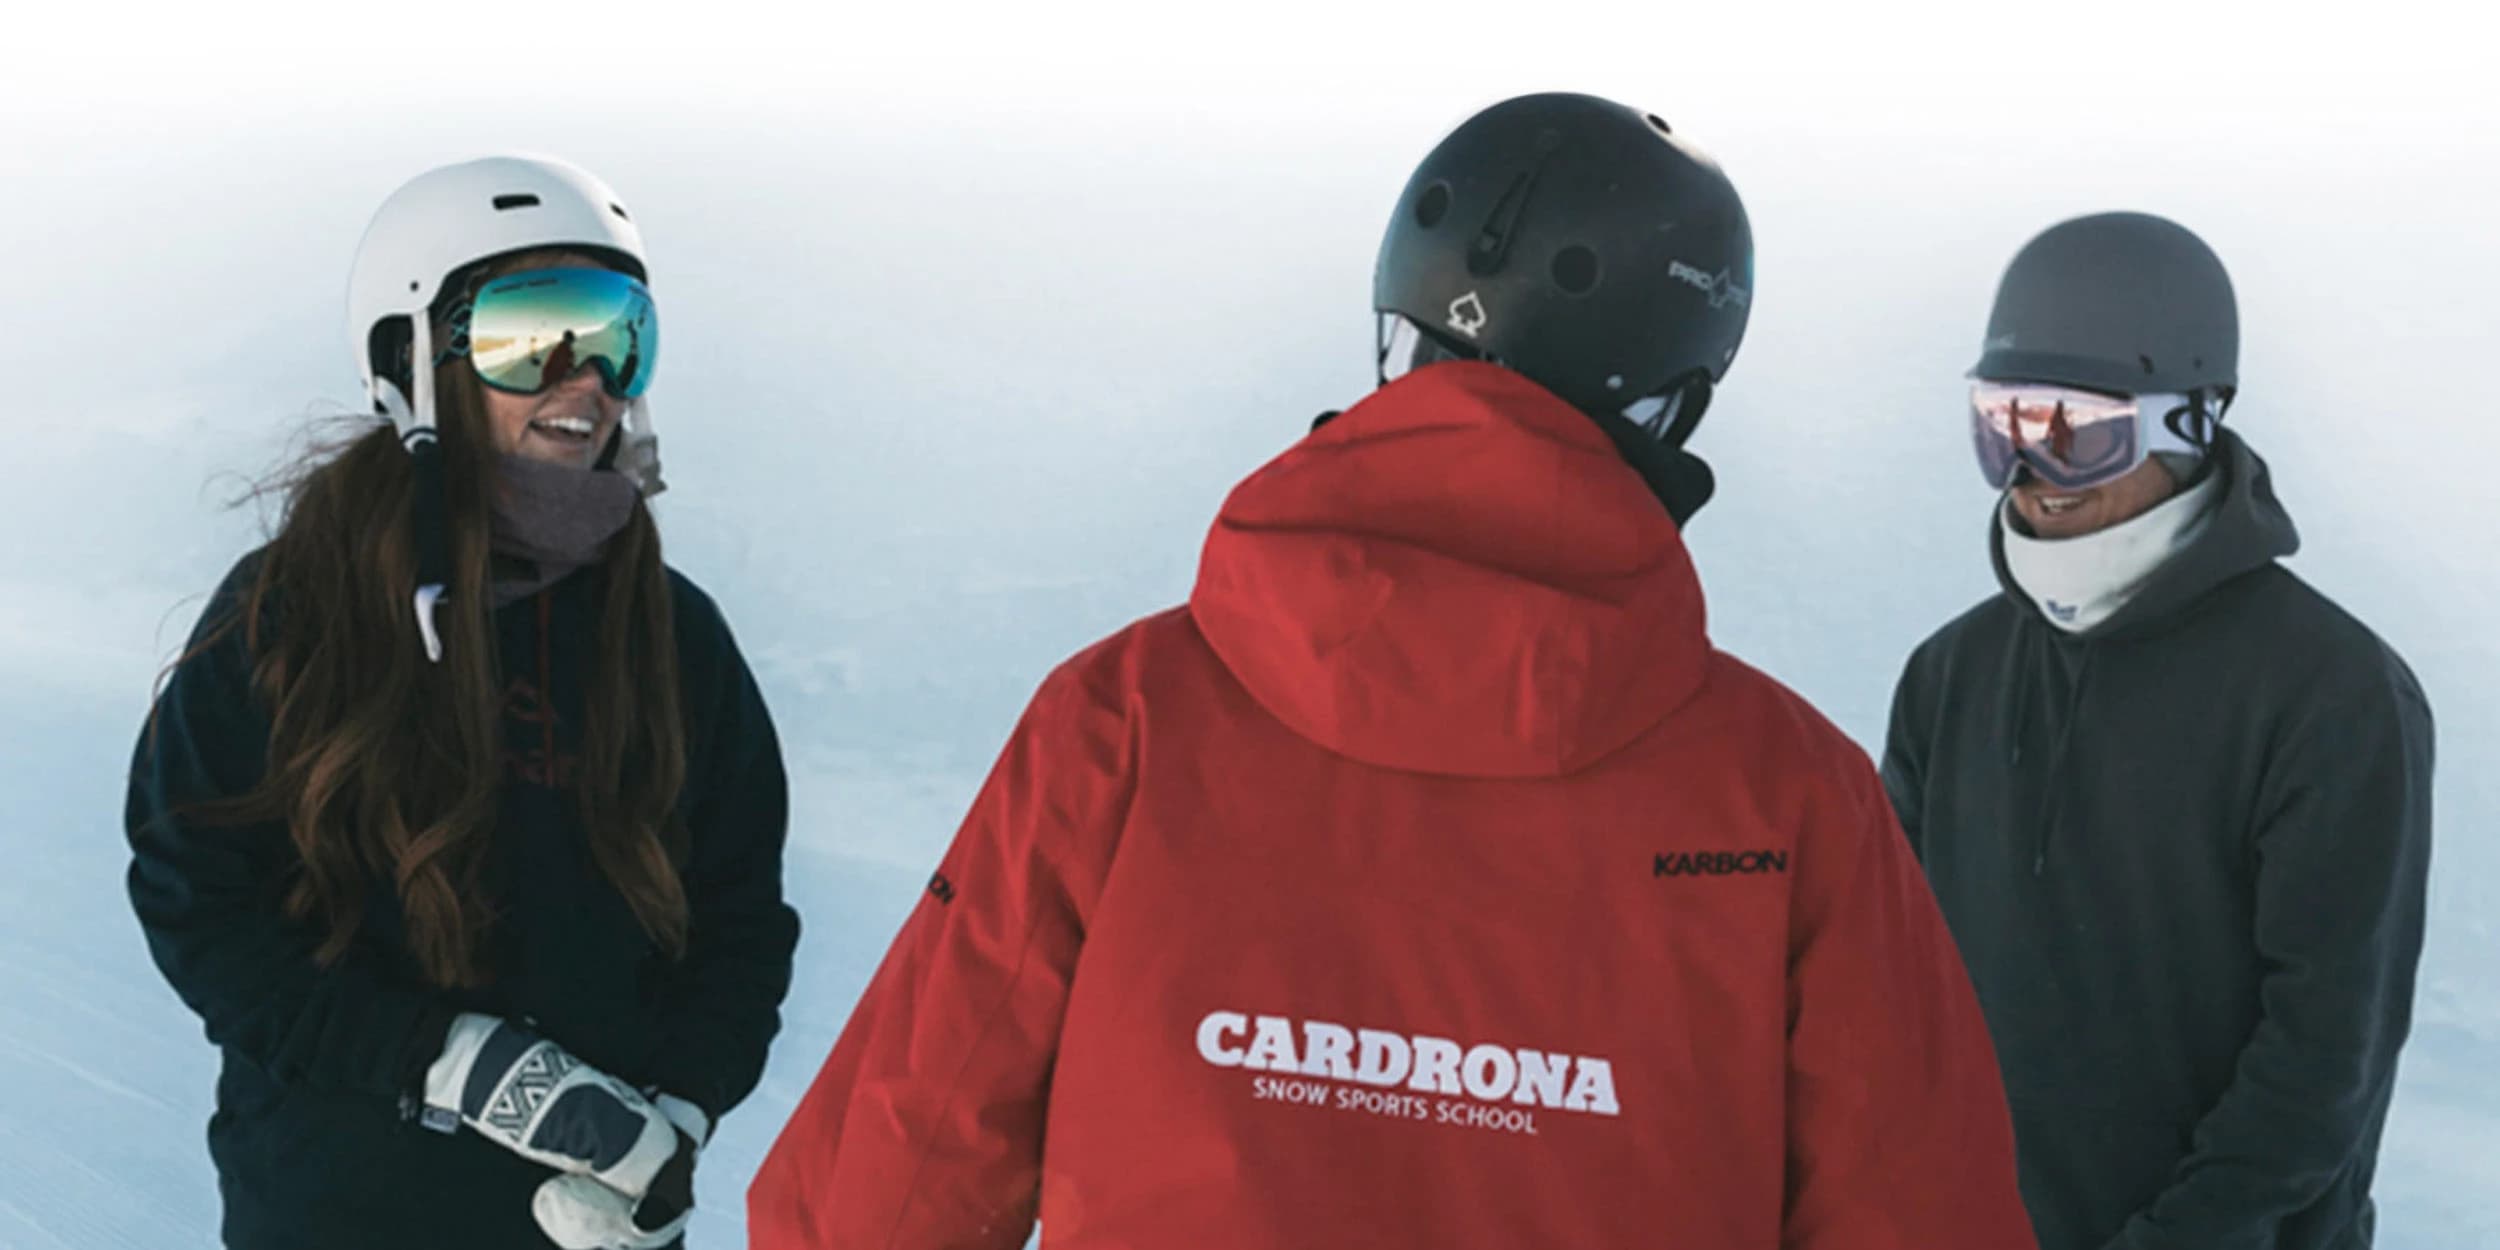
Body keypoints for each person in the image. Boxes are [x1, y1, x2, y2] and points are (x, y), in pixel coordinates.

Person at [748, 93, 2032, 1250]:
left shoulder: (1125, 714)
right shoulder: (1789, 795)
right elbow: (1924, 1211)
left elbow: (879, 1187)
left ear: (1398, 336)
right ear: (1667, 406)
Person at [126, 155, 800, 1250]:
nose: (587, 379)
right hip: (339, 1213)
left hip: (590, 1226)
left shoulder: (672, 636)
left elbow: (738, 917)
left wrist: (676, 1114)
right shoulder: (297, 613)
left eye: (622, 333)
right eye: (535, 334)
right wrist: (445, 1060)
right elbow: (200, 903)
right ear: (412, 354)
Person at [1883, 211, 2436, 1250]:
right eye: (2001, 425)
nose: (2030, 470)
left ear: (2188, 428)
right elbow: (1882, 985)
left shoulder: (2331, 693)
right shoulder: (1948, 674)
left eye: (2076, 432)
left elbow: (2324, 1058)